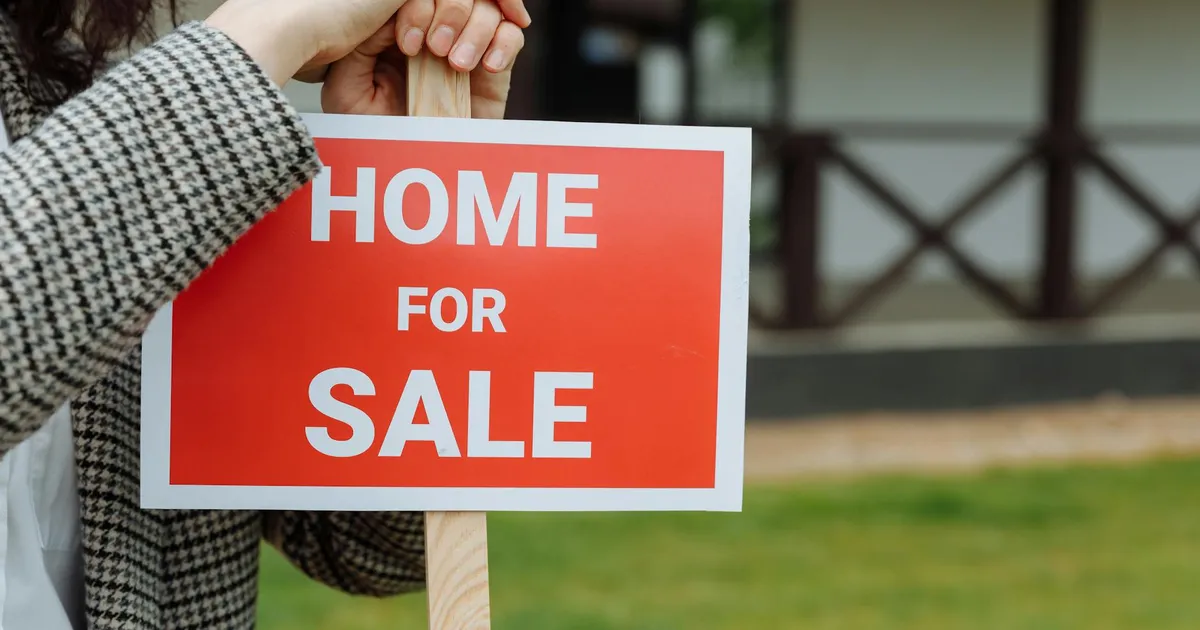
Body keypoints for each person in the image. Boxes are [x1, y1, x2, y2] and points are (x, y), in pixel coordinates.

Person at [0, 0, 529, 627]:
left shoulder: (78, 56)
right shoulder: (186, 77)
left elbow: (366, 549)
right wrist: (266, 33)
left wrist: (402, 185)